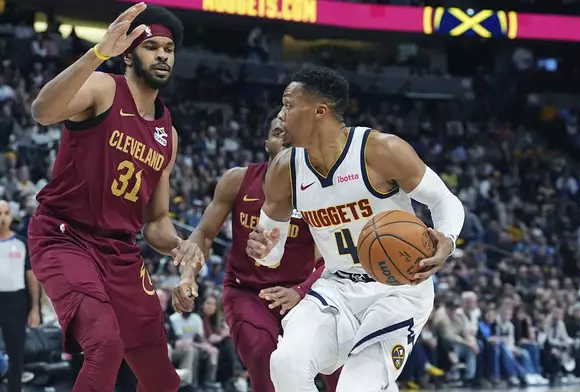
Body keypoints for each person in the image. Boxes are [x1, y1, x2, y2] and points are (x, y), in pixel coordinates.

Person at [246, 67, 465, 391]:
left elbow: (445, 201)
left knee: (356, 386)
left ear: (319, 111)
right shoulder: (284, 169)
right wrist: (263, 251)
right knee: (285, 364)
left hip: (398, 288)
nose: (281, 114)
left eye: (289, 104)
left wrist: (446, 241)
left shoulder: (380, 150)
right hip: (336, 288)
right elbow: (271, 254)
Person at [27, 3, 203, 391]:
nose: (161, 55)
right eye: (151, 46)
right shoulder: (104, 87)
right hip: (65, 236)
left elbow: (155, 222)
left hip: (120, 252)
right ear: (128, 54)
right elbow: (42, 110)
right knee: (105, 343)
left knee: (163, 379)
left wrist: (178, 245)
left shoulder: (167, 134)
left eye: (168, 49)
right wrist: (97, 53)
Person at [175, 110, 340, 391]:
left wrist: (300, 292)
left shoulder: (324, 194)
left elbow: (333, 259)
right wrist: (188, 276)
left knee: (340, 370)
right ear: (267, 144)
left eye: (293, 135)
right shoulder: (238, 180)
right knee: (265, 365)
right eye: (278, 133)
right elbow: (204, 233)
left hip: (302, 294)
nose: (286, 139)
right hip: (247, 292)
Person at [0, 200, 40, 392]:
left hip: (16, 302)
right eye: (0, 213)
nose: (3, 218)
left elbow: (32, 278)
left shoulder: (22, 244)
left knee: (16, 353)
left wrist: (35, 309)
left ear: (11, 216)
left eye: (6, 213)